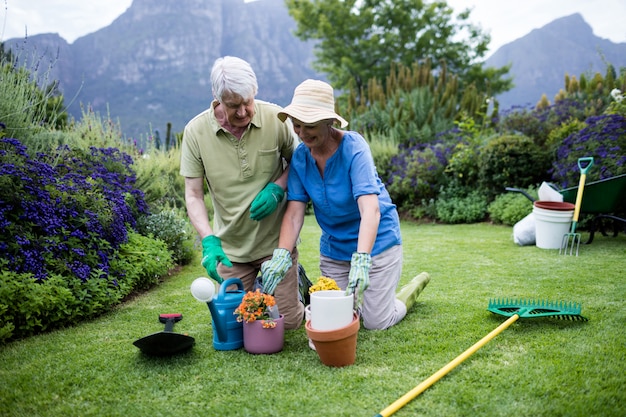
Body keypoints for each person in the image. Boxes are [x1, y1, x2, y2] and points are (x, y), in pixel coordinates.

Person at [261, 79, 430, 330]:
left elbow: (370, 209)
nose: (302, 133)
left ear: (330, 122)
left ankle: (410, 290)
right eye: (297, 125)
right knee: (336, 318)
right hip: (335, 250)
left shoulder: (354, 148)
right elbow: (295, 212)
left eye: (310, 126)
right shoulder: (300, 157)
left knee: (375, 322)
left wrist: (362, 259)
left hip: (378, 244)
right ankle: (364, 302)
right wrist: (282, 254)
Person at [179, 56, 304, 330]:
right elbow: (193, 194)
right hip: (230, 249)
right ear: (217, 98)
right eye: (234, 105)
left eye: (247, 101)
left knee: (290, 323)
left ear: (255, 92)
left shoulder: (275, 118)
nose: (244, 111)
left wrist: (277, 188)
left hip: (275, 243)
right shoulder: (195, 132)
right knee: (236, 326)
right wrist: (209, 242)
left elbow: (300, 161)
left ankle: (295, 282)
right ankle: (260, 287)